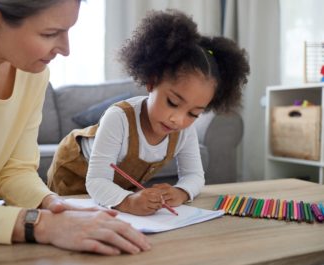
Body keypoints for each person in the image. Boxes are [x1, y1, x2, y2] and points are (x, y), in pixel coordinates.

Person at [0, 0, 151, 255]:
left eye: (68, 31)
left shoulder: (32, 73)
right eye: (50, 34)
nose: (66, 49)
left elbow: (14, 169)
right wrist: (42, 225)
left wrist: (55, 206)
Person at [47, 9, 250, 216]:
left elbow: (195, 176)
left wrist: (180, 192)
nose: (178, 120)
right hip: (73, 174)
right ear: (152, 82)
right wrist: (128, 202)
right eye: (172, 102)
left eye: (194, 114)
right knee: (71, 218)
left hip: (113, 186)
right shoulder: (118, 118)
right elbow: (97, 180)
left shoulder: (183, 131)